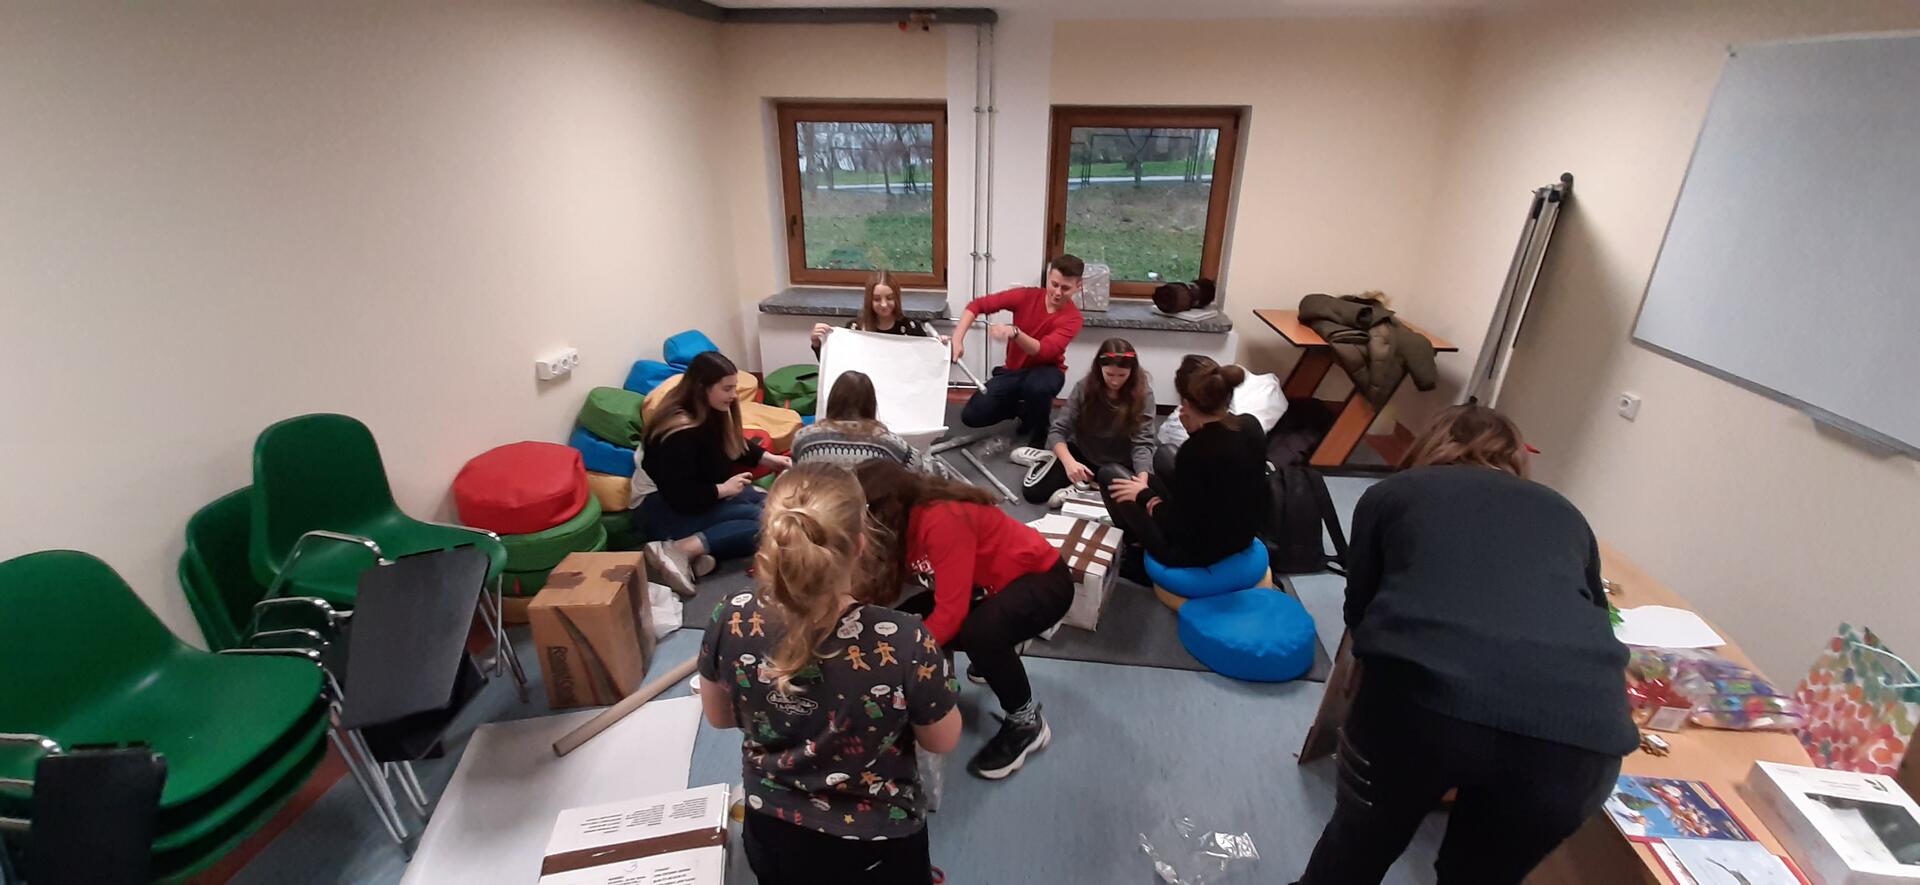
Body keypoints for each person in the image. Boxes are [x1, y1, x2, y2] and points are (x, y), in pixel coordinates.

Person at [1292, 405, 1637, 885]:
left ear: (1429, 444)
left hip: (1421, 703)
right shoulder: (1565, 512)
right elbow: (1597, 615)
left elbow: (1361, 614)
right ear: (1516, 457)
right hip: (1582, 735)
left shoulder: (1393, 493)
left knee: (1357, 850)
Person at [698, 464, 961, 885]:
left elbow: (719, 717)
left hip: (772, 828)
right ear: (860, 544)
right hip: (877, 842)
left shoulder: (730, 615)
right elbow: (942, 739)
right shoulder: (905, 639)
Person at [855, 459, 1072, 780]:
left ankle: (1027, 724)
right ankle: (1003, 643)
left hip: (1044, 582)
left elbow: (950, 614)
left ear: (884, 513)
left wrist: (902, 662)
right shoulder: (902, 525)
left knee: (978, 635)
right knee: (910, 617)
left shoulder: (941, 520)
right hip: (992, 585)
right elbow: (887, 590)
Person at [640, 351, 791, 593]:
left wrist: (771, 460)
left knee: (766, 503)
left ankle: (697, 554)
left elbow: (733, 443)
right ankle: (680, 550)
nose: (734, 395)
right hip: (662, 509)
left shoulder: (709, 413)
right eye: (727, 389)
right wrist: (723, 490)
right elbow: (680, 496)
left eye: (735, 388)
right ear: (702, 388)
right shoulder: (678, 434)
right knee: (765, 521)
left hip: (695, 497)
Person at [1103, 356, 1266, 568]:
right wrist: (1195, 432)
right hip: (1241, 535)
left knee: (1110, 474)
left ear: (1187, 404)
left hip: (1194, 551)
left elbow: (1180, 526)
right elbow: (1216, 480)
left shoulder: (1195, 452)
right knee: (1164, 453)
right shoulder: (1250, 424)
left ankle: (1134, 549)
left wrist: (1144, 495)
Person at [950, 255, 1087, 448]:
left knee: (1037, 387)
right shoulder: (1026, 296)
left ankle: (1040, 431)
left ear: (1078, 286)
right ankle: (1025, 410)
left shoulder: (1073, 319)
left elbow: (1044, 351)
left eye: (1065, 288)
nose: (1057, 292)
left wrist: (1015, 333)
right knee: (972, 416)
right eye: (1054, 284)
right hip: (1013, 372)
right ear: (1048, 277)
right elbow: (977, 305)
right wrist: (957, 340)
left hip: (1047, 371)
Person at [1021, 337, 1156, 505]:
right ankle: (1048, 459)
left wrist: (1142, 483)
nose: (1115, 381)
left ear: (1132, 372)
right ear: (1099, 369)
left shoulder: (1144, 394)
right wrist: (1069, 463)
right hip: (1083, 453)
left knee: (1132, 502)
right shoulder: (1084, 387)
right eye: (1109, 374)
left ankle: (1081, 487)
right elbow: (1058, 430)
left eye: (1122, 375)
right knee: (1033, 493)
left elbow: (1142, 443)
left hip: (1120, 461)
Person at [790, 371, 924, 472]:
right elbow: (920, 467)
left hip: (818, 501)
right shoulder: (886, 442)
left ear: (832, 400)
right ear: (870, 403)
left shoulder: (804, 438)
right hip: (868, 502)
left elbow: (795, 472)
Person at [811, 270, 933, 356]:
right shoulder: (855, 329)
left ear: (897, 298)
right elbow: (835, 365)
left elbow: (928, 363)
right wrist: (817, 343)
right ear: (869, 300)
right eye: (877, 299)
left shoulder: (912, 329)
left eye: (889, 298)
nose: (884, 304)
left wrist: (938, 345)